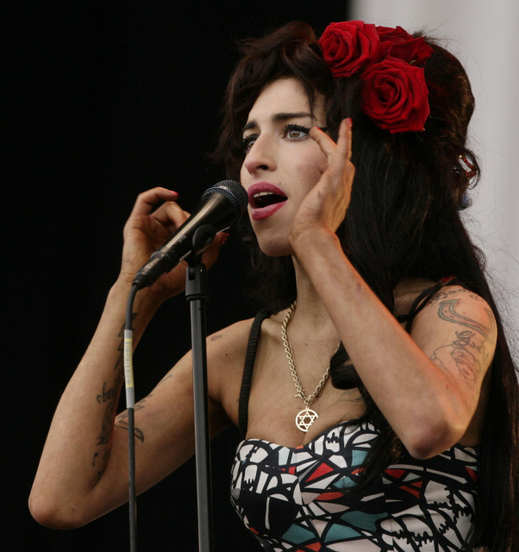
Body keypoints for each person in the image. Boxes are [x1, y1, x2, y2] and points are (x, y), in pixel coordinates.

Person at [29, 20, 519, 551]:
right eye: (249, 138)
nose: (253, 159)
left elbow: (427, 426)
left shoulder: (449, 311)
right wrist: (132, 294)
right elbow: (61, 499)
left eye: (294, 131)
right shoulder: (238, 354)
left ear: (367, 158)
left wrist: (318, 242)